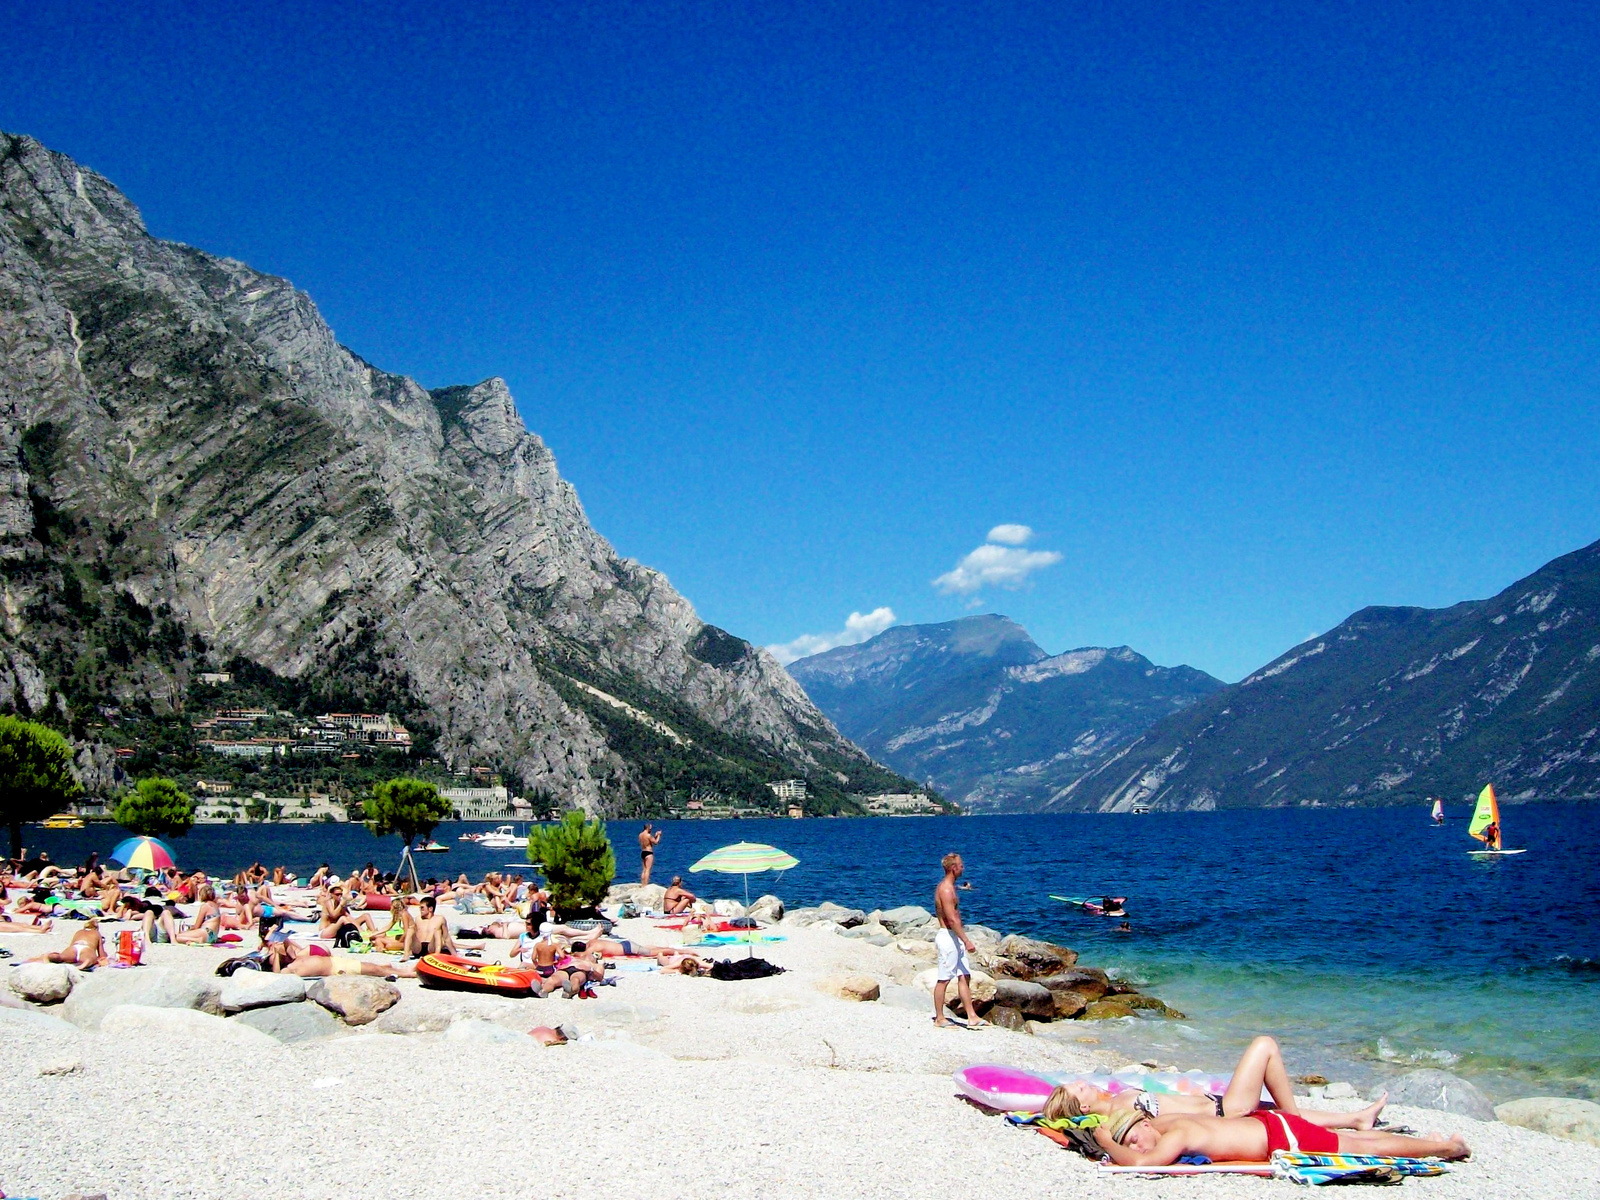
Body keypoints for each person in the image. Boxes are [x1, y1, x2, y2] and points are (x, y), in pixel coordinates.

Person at [1045, 1035, 1389, 1131]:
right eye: (1079, 1089)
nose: (1082, 1082)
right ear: (1084, 1107)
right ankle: (1298, 1127)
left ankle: (1355, 1120)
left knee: (1279, 1111)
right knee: (1264, 1045)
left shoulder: (1119, 1098)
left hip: (1220, 1103)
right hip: (1226, 1113)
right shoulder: (1120, 1113)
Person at [1092, 1107, 1468, 1167]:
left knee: (1364, 1148)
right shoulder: (1166, 1123)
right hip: (1272, 1125)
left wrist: (1106, 1142)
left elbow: (1141, 1165)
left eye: (1133, 1139)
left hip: (1282, 1136)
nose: (1137, 1147)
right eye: (1130, 1145)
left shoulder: (1178, 1134)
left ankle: (1448, 1147)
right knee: (1358, 1143)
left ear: (1142, 1126)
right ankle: (1432, 1140)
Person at [932, 852, 985, 1029]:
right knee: (944, 978)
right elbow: (952, 919)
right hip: (948, 937)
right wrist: (966, 940)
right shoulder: (946, 889)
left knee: (964, 975)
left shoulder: (951, 887)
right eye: (961, 865)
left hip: (954, 937)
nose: (963, 868)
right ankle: (939, 1018)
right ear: (953, 868)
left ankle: (972, 1016)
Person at [28, 918, 105, 970]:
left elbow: (71, 945)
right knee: (89, 959)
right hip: (87, 948)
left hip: (74, 947)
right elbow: (102, 955)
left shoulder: (79, 932)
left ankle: (50, 956)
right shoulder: (96, 933)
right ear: (96, 928)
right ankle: (84, 964)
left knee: (60, 957)